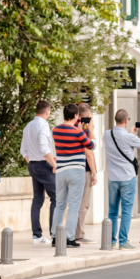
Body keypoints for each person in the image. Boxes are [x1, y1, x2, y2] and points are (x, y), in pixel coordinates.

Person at [50, 103, 94, 248]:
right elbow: (91, 145)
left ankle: (55, 236)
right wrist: (88, 129)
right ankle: (69, 237)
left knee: (60, 204)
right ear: (76, 116)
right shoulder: (78, 132)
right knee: (74, 205)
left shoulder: (55, 130)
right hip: (76, 172)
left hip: (61, 171)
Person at [105, 109, 140, 250]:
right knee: (126, 211)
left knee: (112, 211)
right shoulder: (129, 138)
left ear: (115, 119)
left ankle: (111, 241)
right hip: (127, 178)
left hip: (113, 178)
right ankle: (123, 242)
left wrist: (131, 133)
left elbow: (121, 141)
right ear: (126, 121)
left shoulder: (107, 134)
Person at [21, 100, 57, 245]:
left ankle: (37, 235)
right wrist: (53, 164)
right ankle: (55, 234)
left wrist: (33, 163)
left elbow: (23, 150)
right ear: (47, 111)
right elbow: (44, 148)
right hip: (44, 166)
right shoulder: (43, 125)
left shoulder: (28, 126)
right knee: (56, 198)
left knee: (37, 200)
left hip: (33, 165)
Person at [74, 104, 98, 244]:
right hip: (84, 169)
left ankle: (73, 233)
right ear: (88, 114)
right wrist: (94, 173)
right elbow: (90, 150)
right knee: (83, 204)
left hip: (73, 169)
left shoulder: (72, 126)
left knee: (74, 203)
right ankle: (79, 234)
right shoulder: (84, 128)